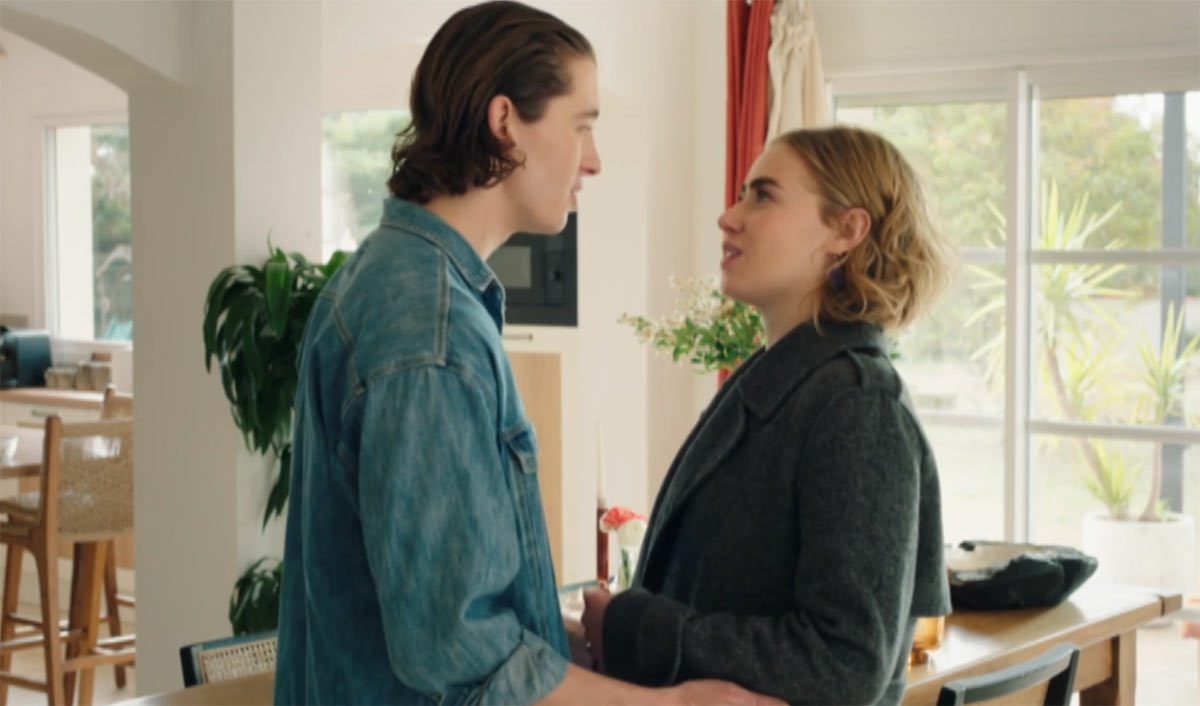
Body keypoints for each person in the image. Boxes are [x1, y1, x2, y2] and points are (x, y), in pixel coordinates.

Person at [275, 2, 779, 704]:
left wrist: (565, 638)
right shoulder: (430, 332)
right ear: (505, 120)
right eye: (582, 125)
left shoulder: (400, 281)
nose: (594, 160)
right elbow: (459, 651)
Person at [583, 125, 955, 705]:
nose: (728, 217)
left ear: (845, 232)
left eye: (763, 196)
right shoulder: (782, 380)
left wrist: (636, 627)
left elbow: (847, 663)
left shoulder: (856, 406)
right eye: (742, 194)